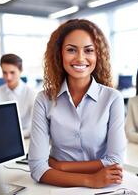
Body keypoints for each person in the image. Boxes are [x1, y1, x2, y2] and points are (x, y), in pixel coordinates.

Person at [28, 19, 126, 188]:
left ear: (98, 55)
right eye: (71, 50)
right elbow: (37, 167)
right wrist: (90, 179)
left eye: (89, 50)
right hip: (56, 188)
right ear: (59, 54)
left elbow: (114, 161)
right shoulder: (44, 99)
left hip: (103, 188)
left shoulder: (112, 98)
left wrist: (60, 166)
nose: (80, 58)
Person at [0, 53, 35, 138]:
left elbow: (34, 127)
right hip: (0, 137)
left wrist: (14, 135)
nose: (8, 77)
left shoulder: (31, 93)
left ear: (21, 71)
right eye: (4, 73)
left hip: (25, 137)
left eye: (12, 72)